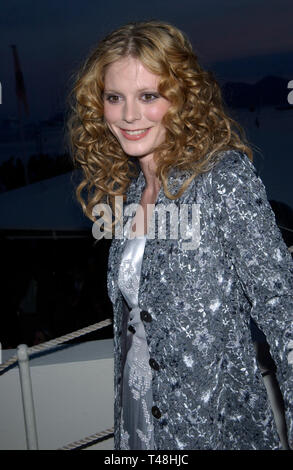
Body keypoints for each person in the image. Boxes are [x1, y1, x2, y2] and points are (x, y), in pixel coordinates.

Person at [67, 20, 293, 450]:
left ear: (180, 98)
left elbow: (285, 312)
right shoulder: (131, 192)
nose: (129, 115)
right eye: (115, 98)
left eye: (148, 96)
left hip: (211, 432)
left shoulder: (221, 179)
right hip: (137, 417)